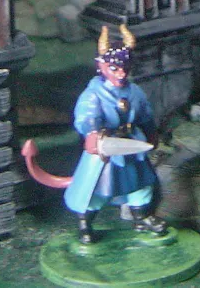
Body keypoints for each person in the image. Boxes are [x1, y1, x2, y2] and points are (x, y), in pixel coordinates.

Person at [63, 24, 166, 244]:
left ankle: (141, 217)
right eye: (114, 68)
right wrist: (92, 133)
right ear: (101, 66)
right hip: (106, 150)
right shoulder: (94, 94)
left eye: (125, 68)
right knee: (96, 188)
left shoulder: (134, 91)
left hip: (133, 146)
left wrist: (150, 132)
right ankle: (85, 223)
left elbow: (144, 113)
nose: (121, 73)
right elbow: (86, 117)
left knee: (141, 183)